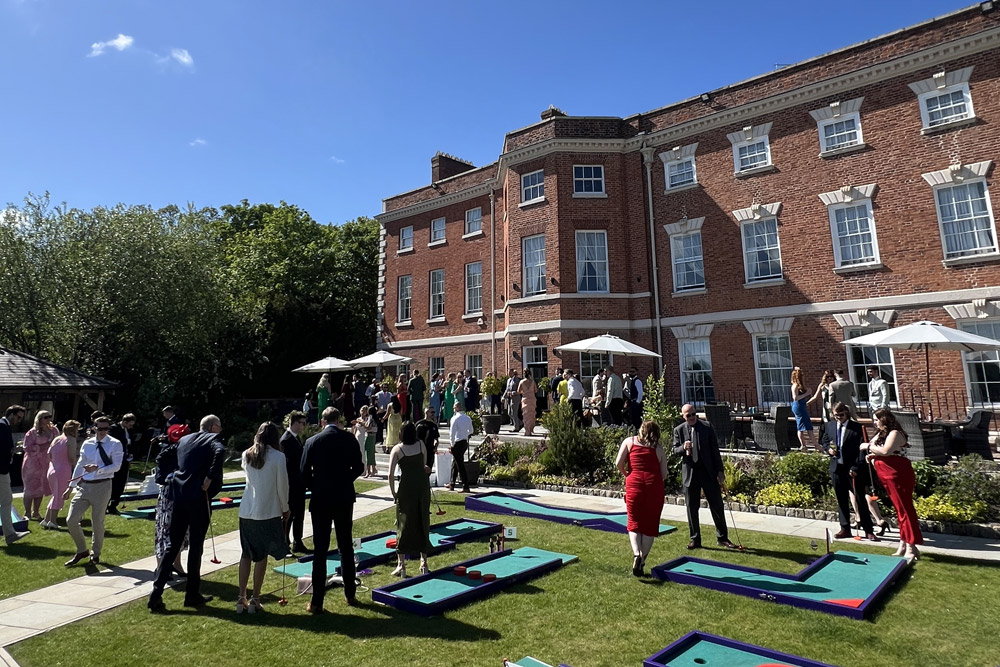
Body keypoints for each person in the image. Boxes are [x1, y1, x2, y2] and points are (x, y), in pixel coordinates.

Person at [148, 415, 226, 612]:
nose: (221, 429)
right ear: (212, 427)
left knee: (172, 545)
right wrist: (210, 476)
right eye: (219, 426)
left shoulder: (184, 439)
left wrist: (164, 477)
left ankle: (156, 594)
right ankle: (192, 593)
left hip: (180, 496)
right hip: (199, 497)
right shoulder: (212, 440)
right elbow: (221, 452)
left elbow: (163, 455)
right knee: (196, 547)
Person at [301, 407, 364, 613]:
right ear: (338, 420)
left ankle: (317, 601)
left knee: (320, 549)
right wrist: (346, 479)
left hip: (321, 498)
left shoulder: (312, 442)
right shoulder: (348, 439)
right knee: (346, 545)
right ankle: (350, 594)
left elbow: (303, 473)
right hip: (343, 497)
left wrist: (315, 485)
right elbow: (359, 467)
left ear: (322, 421)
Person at [236, 422, 289, 614]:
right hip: (268, 512)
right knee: (261, 556)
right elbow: (282, 486)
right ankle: (255, 598)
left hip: (247, 511)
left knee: (246, 554)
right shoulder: (278, 457)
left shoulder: (246, 454)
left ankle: (241, 597)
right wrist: (286, 508)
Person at [673, 404, 737, 550]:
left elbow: (715, 450)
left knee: (717, 506)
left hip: (707, 472)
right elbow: (674, 449)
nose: (692, 418)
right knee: (692, 508)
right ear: (683, 416)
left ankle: (723, 537)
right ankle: (695, 539)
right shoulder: (679, 430)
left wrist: (720, 472)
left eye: (693, 414)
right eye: (688, 415)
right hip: (691, 474)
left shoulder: (706, 427)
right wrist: (683, 447)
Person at [863, 408, 922, 560]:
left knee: (905, 509)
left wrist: (868, 447)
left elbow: (887, 451)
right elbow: (881, 451)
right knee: (899, 510)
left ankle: (911, 545)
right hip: (886, 475)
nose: (875, 422)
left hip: (898, 474)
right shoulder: (882, 434)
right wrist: (873, 455)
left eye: (877, 420)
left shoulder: (895, 433)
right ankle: (903, 543)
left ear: (884, 420)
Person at [64, 416, 124, 566]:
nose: (103, 431)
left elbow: (116, 466)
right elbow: (80, 464)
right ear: (94, 428)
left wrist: (98, 470)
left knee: (97, 521)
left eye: (106, 428)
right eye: (100, 428)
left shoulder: (115, 444)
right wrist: (71, 486)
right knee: (71, 520)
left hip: (103, 485)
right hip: (85, 486)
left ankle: (95, 553)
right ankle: (82, 550)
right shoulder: (88, 443)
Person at [615, 421, 668, 576]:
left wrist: (627, 474)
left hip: (634, 484)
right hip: (654, 486)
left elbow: (618, 463)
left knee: (634, 522)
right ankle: (643, 560)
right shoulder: (658, 449)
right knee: (650, 525)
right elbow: (664, 474)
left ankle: (636, 553)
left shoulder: (629, 442)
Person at [819, 402, 878, 542]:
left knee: (860, 500)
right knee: (841, 499)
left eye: (841, 415)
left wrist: (855, 468)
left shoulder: (857, 428)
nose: (839, 417)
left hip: (852, 469)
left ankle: (868, 530)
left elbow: (862, 451)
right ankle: (845, 528)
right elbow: (824, 440)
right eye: (836, 415)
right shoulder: (831, 426)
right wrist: (828, 450)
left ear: (847, 413)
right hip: (836, 468)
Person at [388, 422, 432, 577]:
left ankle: (401, 565)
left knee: (403, 523)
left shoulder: (397, 449)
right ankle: (424, 563)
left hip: (406, 489)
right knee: (422, 520)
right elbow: (424, 465)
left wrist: (394, 493)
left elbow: (390, 475)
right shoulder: (420, 445)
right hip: (422, 487)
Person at [153, 424, 191, 581]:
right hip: (168, 497)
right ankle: (161, 566)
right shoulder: (166, 454)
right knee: (164, 531)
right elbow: (159, 478)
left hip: (182, 497)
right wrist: (173, 476)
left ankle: (176, 564)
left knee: (182, 531)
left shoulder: (189, 453)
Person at [21, 410, 59, 521]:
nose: (48, 419)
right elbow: (26, 447)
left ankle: (36, 512)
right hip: (32, 464)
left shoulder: (54, 430)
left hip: (46, 462)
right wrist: (40, 447)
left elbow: (58, 442)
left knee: (40, 488)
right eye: (45, 417)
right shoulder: (32, 433)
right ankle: (27, 512)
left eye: (49, 417)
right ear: (39, 419)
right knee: (29, 488)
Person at [44, 420, 81, 529]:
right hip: (63, 470)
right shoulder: (71, 440)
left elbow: (48, 454)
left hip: (52, 469)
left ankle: (47, 519)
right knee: (60, 496)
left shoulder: (57, 439)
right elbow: (71, 457)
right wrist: (77, 466)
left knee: (55, 495)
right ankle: (53, 521)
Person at [1, 405, 30, 546]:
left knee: (6, 501)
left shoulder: (4, 426)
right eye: (18, 417)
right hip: (1, 471)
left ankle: (10, 534)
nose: (18, 420)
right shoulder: (2, 426)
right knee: (6, 501)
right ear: (10, 414)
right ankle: (10, 534)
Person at [281, 411, 309, 553]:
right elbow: (288, 465)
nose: (304, 426)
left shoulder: (296, 438)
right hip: (291, 485)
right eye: (302, 423)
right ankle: (284, 543)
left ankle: (298, 541)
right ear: (295, 423)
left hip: (299, 484)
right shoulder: (286, 440)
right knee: (289, 515)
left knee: (299, 514)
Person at [107, 414, 137, 515]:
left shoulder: (130, 431)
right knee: (113, 482)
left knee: (121, 483)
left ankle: (114, 505)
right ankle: (106, 504)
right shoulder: (114, 429)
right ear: (124, 422)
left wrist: (131, 454)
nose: (131, 427)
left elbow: (131, 443)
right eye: (130, 424)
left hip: (125, 460)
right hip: (115, 459)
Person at [446, 402, 474, 493]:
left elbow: (452, 434)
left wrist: (452, 444)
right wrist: (465, 434)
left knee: (460, 464)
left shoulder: (455, 418)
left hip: (457, 443)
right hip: (464, 442)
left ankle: (466, 485)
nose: (453, 410)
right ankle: (452, 483)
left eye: (454, 408)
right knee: (455, 462)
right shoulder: (467, 418)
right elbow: (471, 431)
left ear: (456, 408)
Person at [790, 367, 817, 452]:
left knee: (802, 425)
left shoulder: (800, 386)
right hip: (798, 406)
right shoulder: (795, 386)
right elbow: (795, 398)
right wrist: (806, 394)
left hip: (801, 406)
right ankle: (810, 444)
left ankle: (804, 446)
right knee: (803, 425)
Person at [415, 407, 440, 471]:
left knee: (429, 468)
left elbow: (436, 439)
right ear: (426, 412)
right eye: (431, 412)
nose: (433, 414)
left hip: (430, 451)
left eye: (434, 412)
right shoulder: (419, 424)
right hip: (420, 450)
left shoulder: (434, 425)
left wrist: (435, 447)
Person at [357, 405, 378, 478]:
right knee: (370, 453)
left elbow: (368, 427)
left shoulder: (371, 418)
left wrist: (361, 423)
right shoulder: (372, 418)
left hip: (370, 436)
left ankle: (368, 471)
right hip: (371, 436)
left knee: (368, 453)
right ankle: (373, 469)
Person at [518, 370, 538, 436]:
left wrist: (524, 392)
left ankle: (527, 431)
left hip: (525, 399)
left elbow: (518, 391)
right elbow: (536, 390)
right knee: (532, 414)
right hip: (532, 399)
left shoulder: (521, 382)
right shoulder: (533, 382)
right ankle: (531, 429)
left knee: (525, 415)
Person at [383, 396, 403, 462]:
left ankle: (389, 447)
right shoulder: (399, 404)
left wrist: (383, 419)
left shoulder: (390, 405)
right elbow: (401, 413)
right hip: (398, 419)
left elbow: (387, 414)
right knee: (398, 432)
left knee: (391, 433)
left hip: (392, 420)